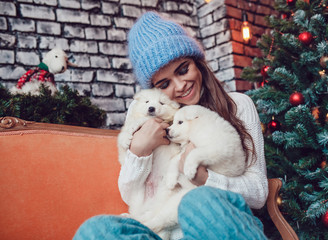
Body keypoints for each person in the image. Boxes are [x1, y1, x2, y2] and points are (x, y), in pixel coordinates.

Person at [74, 11, 268, 240]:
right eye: (165, 84)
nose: (180, 86)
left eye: (183, 70)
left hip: (217, 224)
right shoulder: (146, 115)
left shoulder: (238, 105)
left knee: (197, 202)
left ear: (197, 62)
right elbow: (130, 196)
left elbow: (259, 193)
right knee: (96, 230)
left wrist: (206, 179)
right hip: (164, 230)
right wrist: (140, 150)